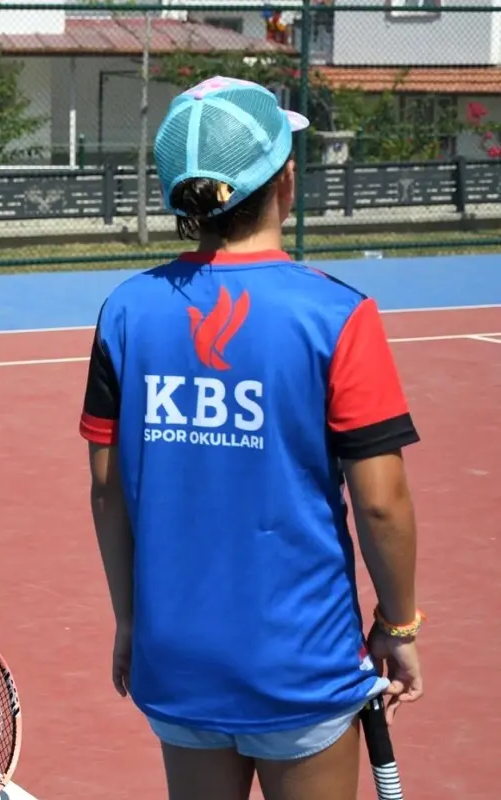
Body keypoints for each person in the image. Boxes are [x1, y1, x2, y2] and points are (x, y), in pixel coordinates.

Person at [81, 76, 425, 800]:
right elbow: (383, 503)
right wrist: (399, 623)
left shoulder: (126, 311)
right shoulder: (337, 313)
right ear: (286, 180)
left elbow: (107, 489)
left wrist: (130, 620)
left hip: (175, 658)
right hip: (301, 662)